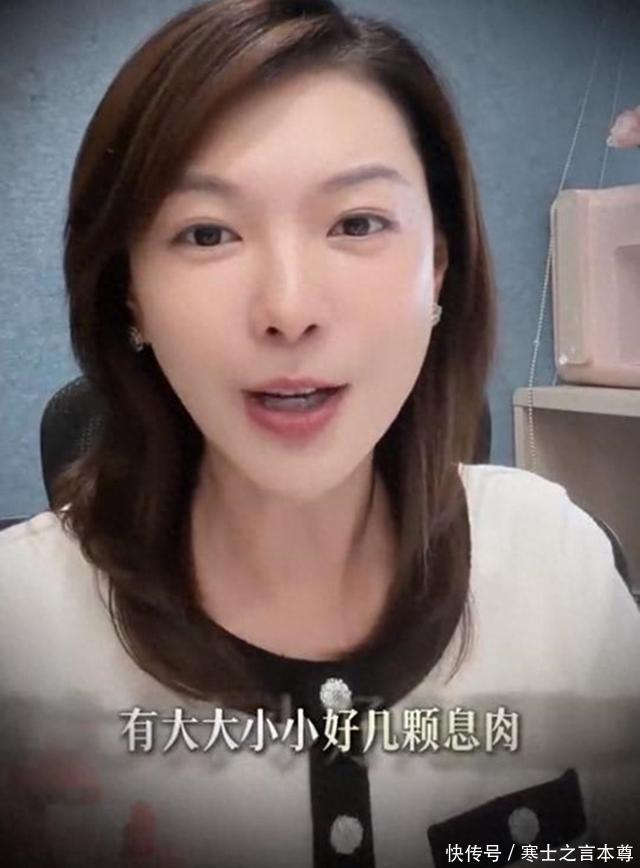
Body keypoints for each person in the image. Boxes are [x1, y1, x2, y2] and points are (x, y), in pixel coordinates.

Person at [0, 1, 639, 866]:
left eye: (357, 223)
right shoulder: (20, 630)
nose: (289, 309)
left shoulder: (557, 565)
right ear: (130, 295)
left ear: (438, 264)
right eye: (207, 233)